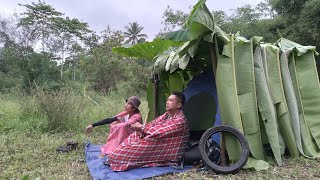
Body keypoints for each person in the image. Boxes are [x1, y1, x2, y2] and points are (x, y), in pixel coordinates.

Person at [108, 91, 190, 171]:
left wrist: (140, 127)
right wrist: (139, 129)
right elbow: (152, 124)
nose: (167, 102)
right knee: (134, 136)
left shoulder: (180, 120)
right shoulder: (167, 114)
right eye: (167, 100)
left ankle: (120, 158)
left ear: (179, 105)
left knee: (115, 156)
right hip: (154, 139)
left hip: (164, 148)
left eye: (171, 100)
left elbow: (157, 132)